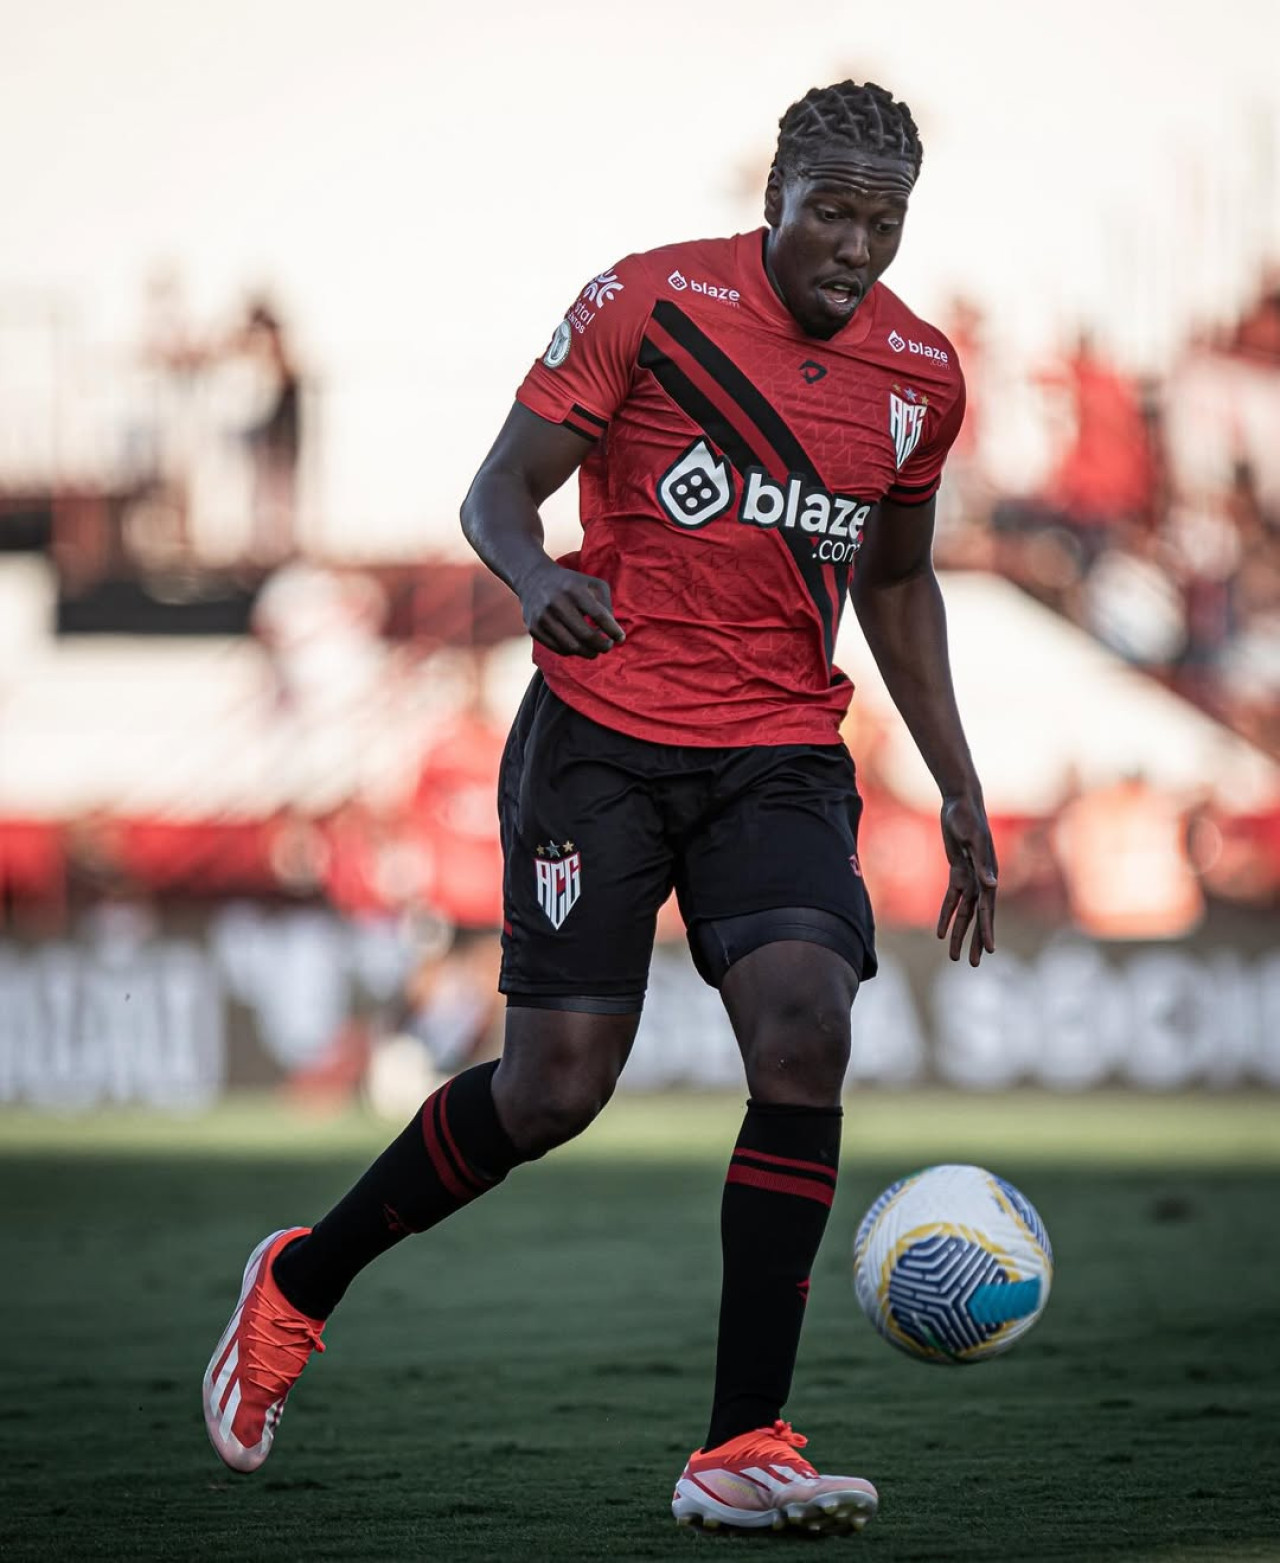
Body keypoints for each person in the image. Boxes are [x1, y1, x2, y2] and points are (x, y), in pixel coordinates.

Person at [203, 79, 998, 1538]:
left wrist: (958, 781)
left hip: (777, 750)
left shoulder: (921, 377)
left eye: (885, 224)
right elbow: (500, 489)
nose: (856, 248)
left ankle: (739, 1446)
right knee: (555, 1089)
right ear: (774, 195)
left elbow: (894, 582)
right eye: (833, 211)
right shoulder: (650, 303)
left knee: (808, 1026)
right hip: (604, 737)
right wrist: (536, 578)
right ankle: (296, 1285)